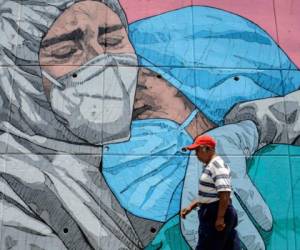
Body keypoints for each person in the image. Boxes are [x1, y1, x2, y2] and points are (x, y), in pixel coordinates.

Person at [0, 1, 299, 250]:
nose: (103, 62)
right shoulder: (15, 188)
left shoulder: (109, 160)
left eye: (112, 40)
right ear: (19, 80)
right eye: (67, 52)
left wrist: (246, 129)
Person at [180, 134, 241, 250]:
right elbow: (210, 193)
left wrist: (220, 217)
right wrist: (191, 206)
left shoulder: (217, 166)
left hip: (215, 212)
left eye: (198, 150)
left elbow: (224, 193)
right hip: (213, 210)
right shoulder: (210, 166)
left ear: (208, 148)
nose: (196, 154)